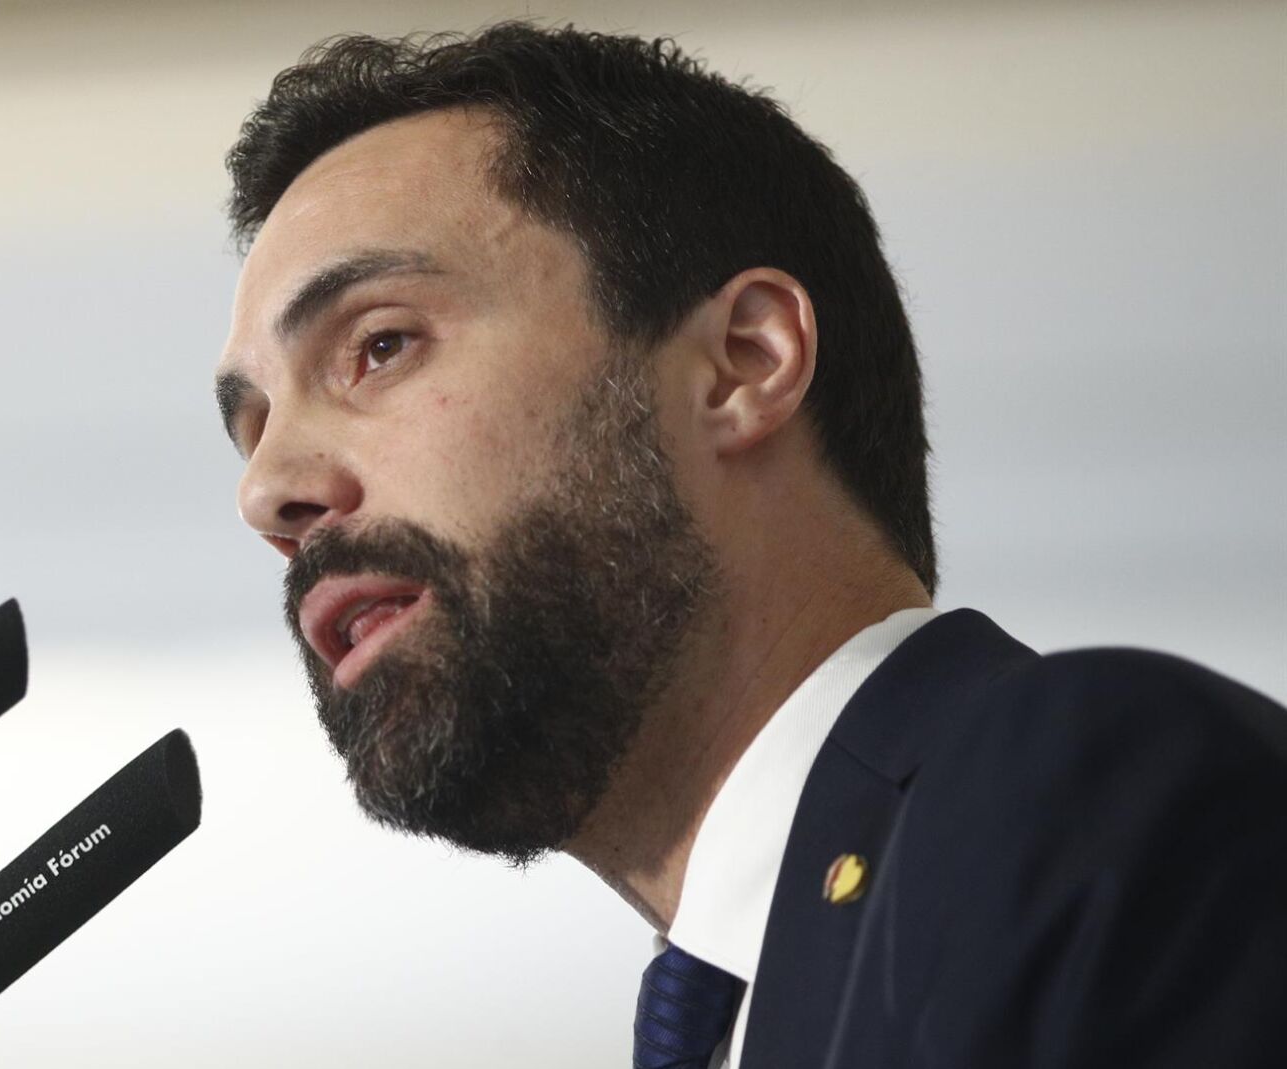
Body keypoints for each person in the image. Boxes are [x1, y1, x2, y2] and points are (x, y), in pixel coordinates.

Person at [208, 22, 1287, 1069]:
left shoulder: (1089, 806)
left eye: (379, 346)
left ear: (742, 363)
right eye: (252, 428)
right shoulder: (767, 995)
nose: (267, 493)